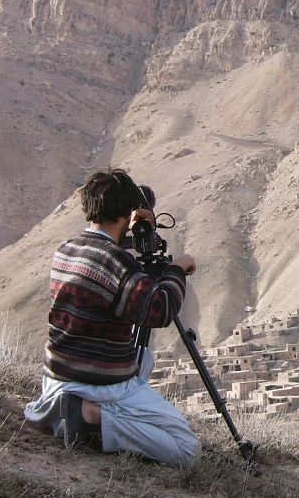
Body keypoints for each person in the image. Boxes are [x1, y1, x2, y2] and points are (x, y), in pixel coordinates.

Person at [24, 168, 200, 467]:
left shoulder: (67, 249)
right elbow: (160, 310)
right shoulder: (116, 263)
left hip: (57, 380)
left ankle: (82, 414)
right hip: (98, 385)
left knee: (141, 358)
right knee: (186, 449)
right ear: (130, 213)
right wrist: (177, 269)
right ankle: (93, 416)